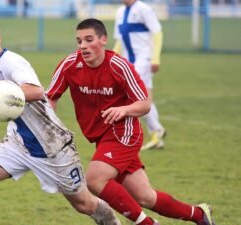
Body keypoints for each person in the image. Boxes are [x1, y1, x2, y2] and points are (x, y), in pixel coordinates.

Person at [46, 18, 216, 225]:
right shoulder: (70, 65)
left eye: (89, 39)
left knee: (94, 179)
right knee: (145, 197)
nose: (83, 46)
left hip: (123, 133)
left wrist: (123, 109)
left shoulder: (118, 66)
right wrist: (49, 128)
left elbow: (145, 103)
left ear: (103, 40)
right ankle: (199, 215)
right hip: (101, 138)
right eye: (79, 41)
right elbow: (51, 97)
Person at [0, 11, 121, 225]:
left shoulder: (12, 62)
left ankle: (113, 222)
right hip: (19, 144)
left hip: (52, 147)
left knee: (84, 204)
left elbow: (36, 91)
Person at [113, 0, 165, 150]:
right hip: (129, 62)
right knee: (143, 97)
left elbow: (157, 33)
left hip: (144, 60)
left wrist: (155, 58)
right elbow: (120, 40)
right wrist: (113, 59)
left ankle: (155, 130)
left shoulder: (144, 9)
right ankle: (156, 134)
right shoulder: (120, 12)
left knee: (133, 95)